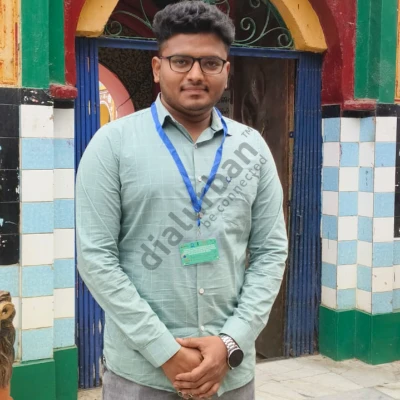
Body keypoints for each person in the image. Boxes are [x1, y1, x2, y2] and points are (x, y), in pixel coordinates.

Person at [76, 1, 288, 399]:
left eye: (210, 63)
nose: (195, 74)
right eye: (181, 61)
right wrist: (166, 351)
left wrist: (231, 342)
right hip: (142, 377)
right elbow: (96, 259)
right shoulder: (112, 145)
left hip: (229, 376)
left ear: (227, 70)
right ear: (158, 68)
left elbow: (270, 251)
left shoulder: (253, 149)